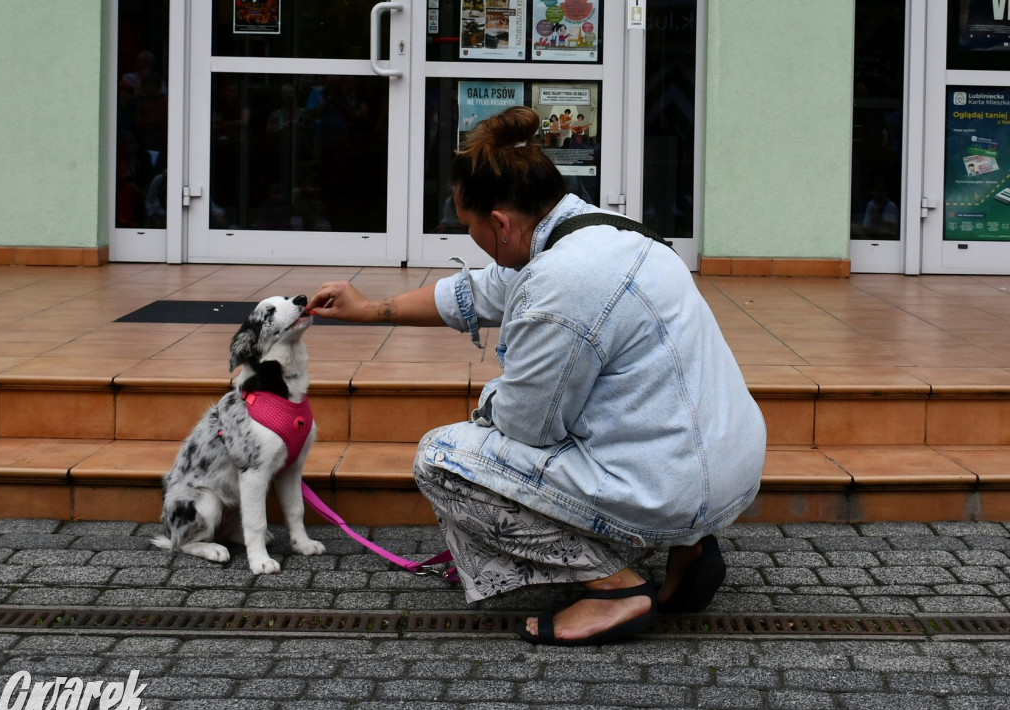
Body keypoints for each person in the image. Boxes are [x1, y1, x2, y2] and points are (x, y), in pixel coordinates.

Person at [306, 106, 765, 646]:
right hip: (729, 469)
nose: (471, 239)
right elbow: (476, 291)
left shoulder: (560, 284)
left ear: (500, 223)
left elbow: (529, 427)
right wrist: (371, 309)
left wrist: (488, 403)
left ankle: (614, 587)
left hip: (674, 486)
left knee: (445, 459)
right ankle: (689, 551)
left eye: (469, 228)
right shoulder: (601, 232)